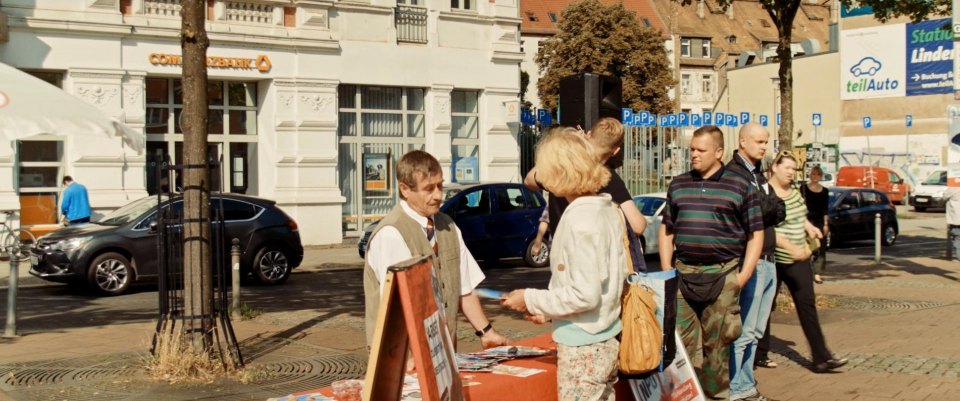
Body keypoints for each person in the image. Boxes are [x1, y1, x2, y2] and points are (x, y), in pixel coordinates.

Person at [501, 132, 627, 401]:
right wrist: (548, 311)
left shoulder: (581, 220)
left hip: (585, 343)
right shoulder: (604, 209)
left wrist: (531, 298)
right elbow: (599, 284)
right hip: (602, 335)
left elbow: (584, 294)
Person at [658, 125, 764, 400]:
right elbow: (667, 229)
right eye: (692, 149)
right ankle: (679, 396)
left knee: (717, 349)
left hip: (722, 276)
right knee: (677, 345)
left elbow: (756, 234)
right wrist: (667, 268)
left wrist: (742, 276)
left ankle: (716, 395)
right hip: (682, 276)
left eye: (700, 150)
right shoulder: (679, 184)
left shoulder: (740, 186)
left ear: (718, 152)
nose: (693, 154)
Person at [363, 150, 506, 349]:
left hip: (443, 352)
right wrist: (407, 359)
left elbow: (464, 289)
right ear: (405, 189)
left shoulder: (448, 226)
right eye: (428, 189)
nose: (438, 195)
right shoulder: (391, 233)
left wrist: (486, 332)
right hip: (403, 355)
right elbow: (395, 308)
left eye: (440, 185)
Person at [766, 150, 847, 373]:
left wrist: (810, 227)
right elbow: (767, 229)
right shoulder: (766, 193)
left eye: (794, 168)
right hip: (774, 260)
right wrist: (791, 247)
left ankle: (821, 358)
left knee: (807, 305)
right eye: (787, 168)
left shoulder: (795, 191)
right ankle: (758, 353)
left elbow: (800, 215)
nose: (791, 172)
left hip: (799, 259)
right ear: (775, 167)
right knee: (764, 307)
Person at [726, 123, 785, 401]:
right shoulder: (735, 174)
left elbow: (777, 208)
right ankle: (738, 388)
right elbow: (761, 208)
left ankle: (746, 384)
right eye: (759, 142)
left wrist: (767, 204)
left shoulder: (758, 174)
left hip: (769, 260)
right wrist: (767, 205)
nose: (764, 147)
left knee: (756, 331)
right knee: (744, 331)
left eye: (766, 142)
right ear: (743, 142)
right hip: (751, 260)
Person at [524, 118, 646, 241]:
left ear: (588, 134)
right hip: (594, 253)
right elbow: (638, 226)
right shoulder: (608, 177)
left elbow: (529, 181)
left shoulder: (564, 167)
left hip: (561, 251)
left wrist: (564, 150)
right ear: (616, 150)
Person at [801, 166, 830, 284]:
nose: (815, 177)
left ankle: (817, 273)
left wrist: (826, 224)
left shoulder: (824, 191)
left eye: (817, 175)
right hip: (807, 221)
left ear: (821, 176)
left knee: (820, 249)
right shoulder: (803, 188)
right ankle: (806, 272)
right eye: (813, 174)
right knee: (807, 247)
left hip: (819, 222)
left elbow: (825, 209)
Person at [947, 186, 960, 261]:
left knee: (957, 238)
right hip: (956, 219)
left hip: (955, 219)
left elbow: (944, 197)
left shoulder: (953, 188)